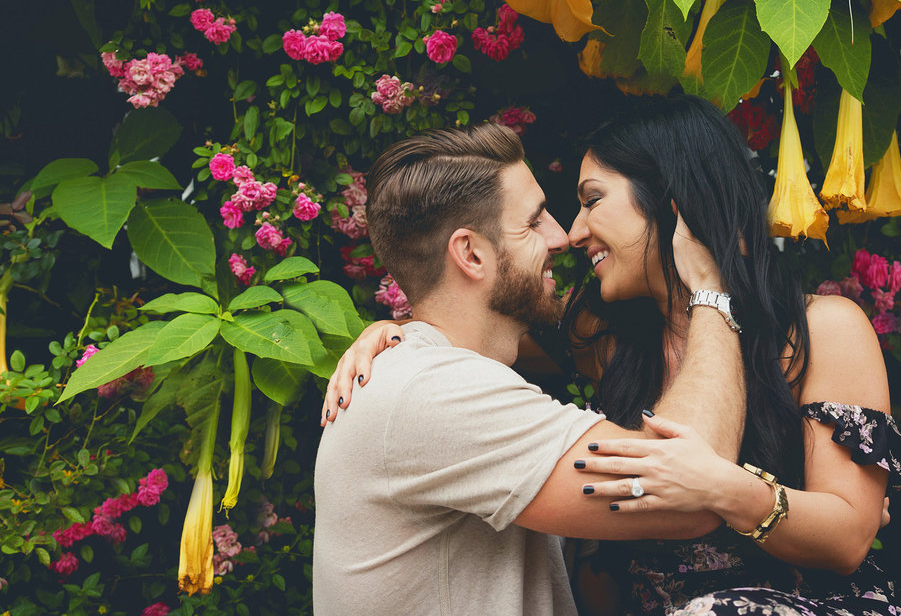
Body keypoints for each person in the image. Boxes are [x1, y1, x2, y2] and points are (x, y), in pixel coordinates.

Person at [325, 95, 901, 616]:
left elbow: (849, 537)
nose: (572, 232)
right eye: (543, 218)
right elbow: (458, 339)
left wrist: (731, 490)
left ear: (673, 206)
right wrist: (401, 330)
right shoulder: (601, 335)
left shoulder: (823, 329)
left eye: (591, 200)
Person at [312, 121, 750, 616]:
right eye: (534, 221)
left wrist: (399, 327)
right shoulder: (437, 391)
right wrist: (710, 289)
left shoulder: (418, 372)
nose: (562, 236)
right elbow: (693, 488)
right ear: (471, 253)